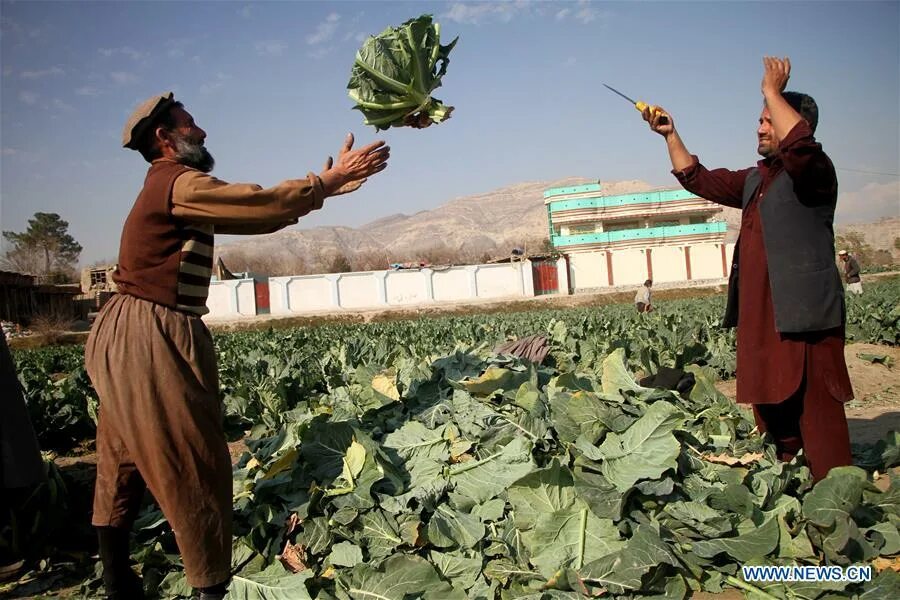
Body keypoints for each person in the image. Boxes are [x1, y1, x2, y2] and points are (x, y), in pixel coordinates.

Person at [85, 92, 389, 599]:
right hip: (152, 332)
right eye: (190, 124)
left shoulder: (171, 190)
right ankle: (210, 589)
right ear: (165, 138)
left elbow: (259, 216)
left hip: (120, 330)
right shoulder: (176, 181)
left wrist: (324, 191)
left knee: (122, 456)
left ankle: (118, 580)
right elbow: (257, 201)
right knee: (194, 460)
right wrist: (325, 182)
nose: (201, 131)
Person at [642, 57, 853, 481]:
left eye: (768, 120)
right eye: (759, 119)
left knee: (817, 410)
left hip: (806, 317)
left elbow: (801, 147)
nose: (759, 127)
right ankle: (790, 481)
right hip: (764, 318)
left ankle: (835, 493)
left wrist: (772, 91)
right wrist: (671, 134)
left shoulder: (814, 172)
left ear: (793, 122)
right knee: (773, 406)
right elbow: (699, 178)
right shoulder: (756, 179)